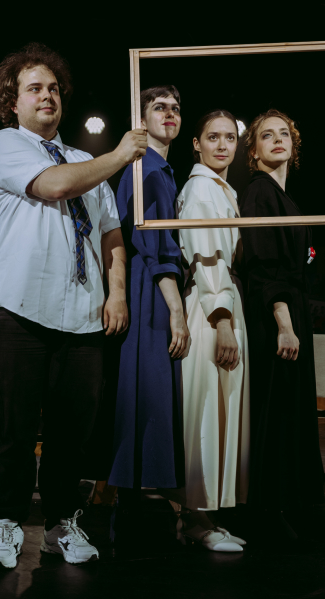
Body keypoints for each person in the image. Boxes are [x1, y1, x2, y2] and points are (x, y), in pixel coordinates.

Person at [0, 42, 147, 568]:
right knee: (14, 429)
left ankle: (60, 525)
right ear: (13, 102)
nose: (47, 95)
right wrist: (119, 155)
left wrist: (116, 291)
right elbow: (53, 186)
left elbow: (110, 231)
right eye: (34, 88)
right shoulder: (7, 144)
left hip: (81, 315)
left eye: (53, 88)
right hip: (20, 310)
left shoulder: (84, 160)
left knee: (72, 433)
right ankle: (7, 524)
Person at [239, 108, 324, 538]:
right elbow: (264, 266)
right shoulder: (260, 192)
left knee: (291, 408)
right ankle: (269, 512)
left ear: (294, 145)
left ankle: (291, 504)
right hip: (276, 316)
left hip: (292, 312)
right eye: (267, 135)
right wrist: (284, 323)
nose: (278, 140)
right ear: (253, 151)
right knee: (277, 409)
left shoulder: (285, 196)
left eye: (284, 134)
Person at [108, 86, 189, 538]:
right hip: (148, 288)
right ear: (142, 120)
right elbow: (153, 246)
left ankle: (136, 498)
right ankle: (130, 501)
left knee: (149, 390)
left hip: (151, 283)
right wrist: (176, 309)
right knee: (146, 388)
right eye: (160, 107)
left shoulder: (161, 169)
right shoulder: (147, 169)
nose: (169, 114)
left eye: (175, 108)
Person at [170, 110, 249, 552]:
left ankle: (204, 516)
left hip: (221, 304)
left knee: (217, 407)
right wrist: (222, 321)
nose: (222, 145)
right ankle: (196, 520)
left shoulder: (221, 188)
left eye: (230, 138)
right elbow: (207, 257)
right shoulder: (201, 188)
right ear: (196, 144)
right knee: (205, 412)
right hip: (210, 308)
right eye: (213, 137)